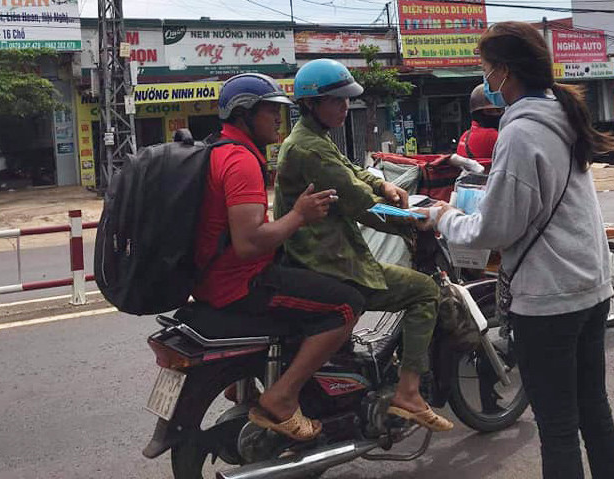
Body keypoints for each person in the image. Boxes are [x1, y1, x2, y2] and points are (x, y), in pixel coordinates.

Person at [428, 22, 614, 478]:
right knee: (595, 413)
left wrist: (442, 218)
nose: (485, 80)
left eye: (485, 69)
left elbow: (496, 228)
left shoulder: (520, 132)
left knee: (557, 427)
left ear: (505, 72)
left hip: (550, 298)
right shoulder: (560, 112)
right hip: (590, 287)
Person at [275, 59, 453, 432]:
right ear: (311, 104)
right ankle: (409, 391)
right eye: (336, 101)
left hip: (327, 254)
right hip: (329, 262)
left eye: (346, 100)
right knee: (423, 292)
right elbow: (363, 207)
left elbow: (352, 173)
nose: (344, 107)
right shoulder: (310, 148)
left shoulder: (313, 138)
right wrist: (417, 219)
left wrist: (384, 184)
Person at [192, 73, 366, 442]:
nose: (278, 119)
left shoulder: (218, 149)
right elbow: (250, 242)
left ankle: (249, 381)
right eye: (270, 111)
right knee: (347, 304)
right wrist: (300, 215)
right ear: (243, 115)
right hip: (242, 283)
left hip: (214, 279)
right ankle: (283, 395)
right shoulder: (240, 161)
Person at [456, 83, 504, 161]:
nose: (501, 114)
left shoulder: (465, 135)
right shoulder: (491, 135)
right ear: (487, 111)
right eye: (498, 111)